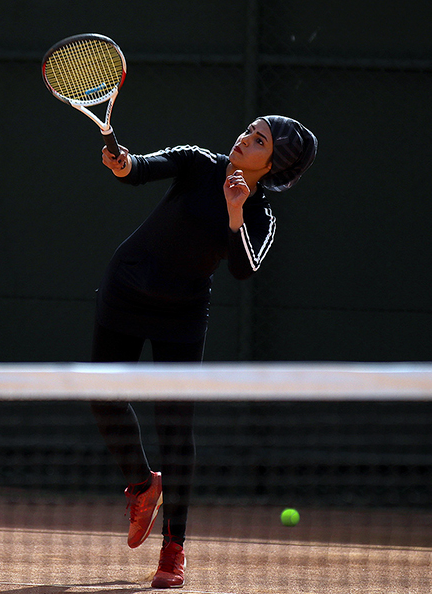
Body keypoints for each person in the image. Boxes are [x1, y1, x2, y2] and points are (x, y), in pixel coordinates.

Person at [89, 115, 317, 588]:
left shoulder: (260, 215)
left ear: (273, 165)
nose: (244, 140)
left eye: (259, 141)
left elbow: (244, 268)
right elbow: (141, 168)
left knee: (175, 426)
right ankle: (141, 483)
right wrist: (121, 161)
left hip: (182, 312)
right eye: (249, 131)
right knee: (102, 396)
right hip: (126, 286)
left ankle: (174, 549)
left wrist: (235, 211)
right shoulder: (198, 164)